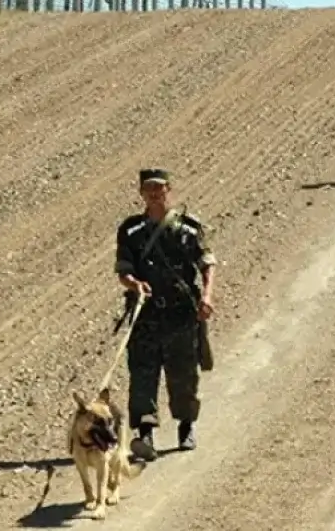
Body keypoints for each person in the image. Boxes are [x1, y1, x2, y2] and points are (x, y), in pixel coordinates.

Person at [113, 168, 216, 462]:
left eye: (159, 188)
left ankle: (186, 426)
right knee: (143, 373)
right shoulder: (131, 230)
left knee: (183, 373)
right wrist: (134, 284)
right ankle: (145, 433)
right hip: (145, 314)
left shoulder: (189, 228)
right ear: (141, 193)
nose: (155, 194)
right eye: (149, 189)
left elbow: (206, 263)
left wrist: (207, 296)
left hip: (181, 314)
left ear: (169, 189)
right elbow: (123, 270)